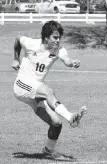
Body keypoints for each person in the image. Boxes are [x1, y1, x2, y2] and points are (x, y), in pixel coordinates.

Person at [11, 20, 87, 160]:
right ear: (46, 37)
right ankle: (70, 117)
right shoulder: (31, 44)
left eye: (59, 38)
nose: (58, 41)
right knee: (48, 91)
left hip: (35, 94)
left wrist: (72, 63)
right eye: (55, 37)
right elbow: (17, 40)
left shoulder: (59, 50)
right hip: (21, 85)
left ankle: (48, 150)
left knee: (56, 123)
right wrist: (16, 59)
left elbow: (67, 59)